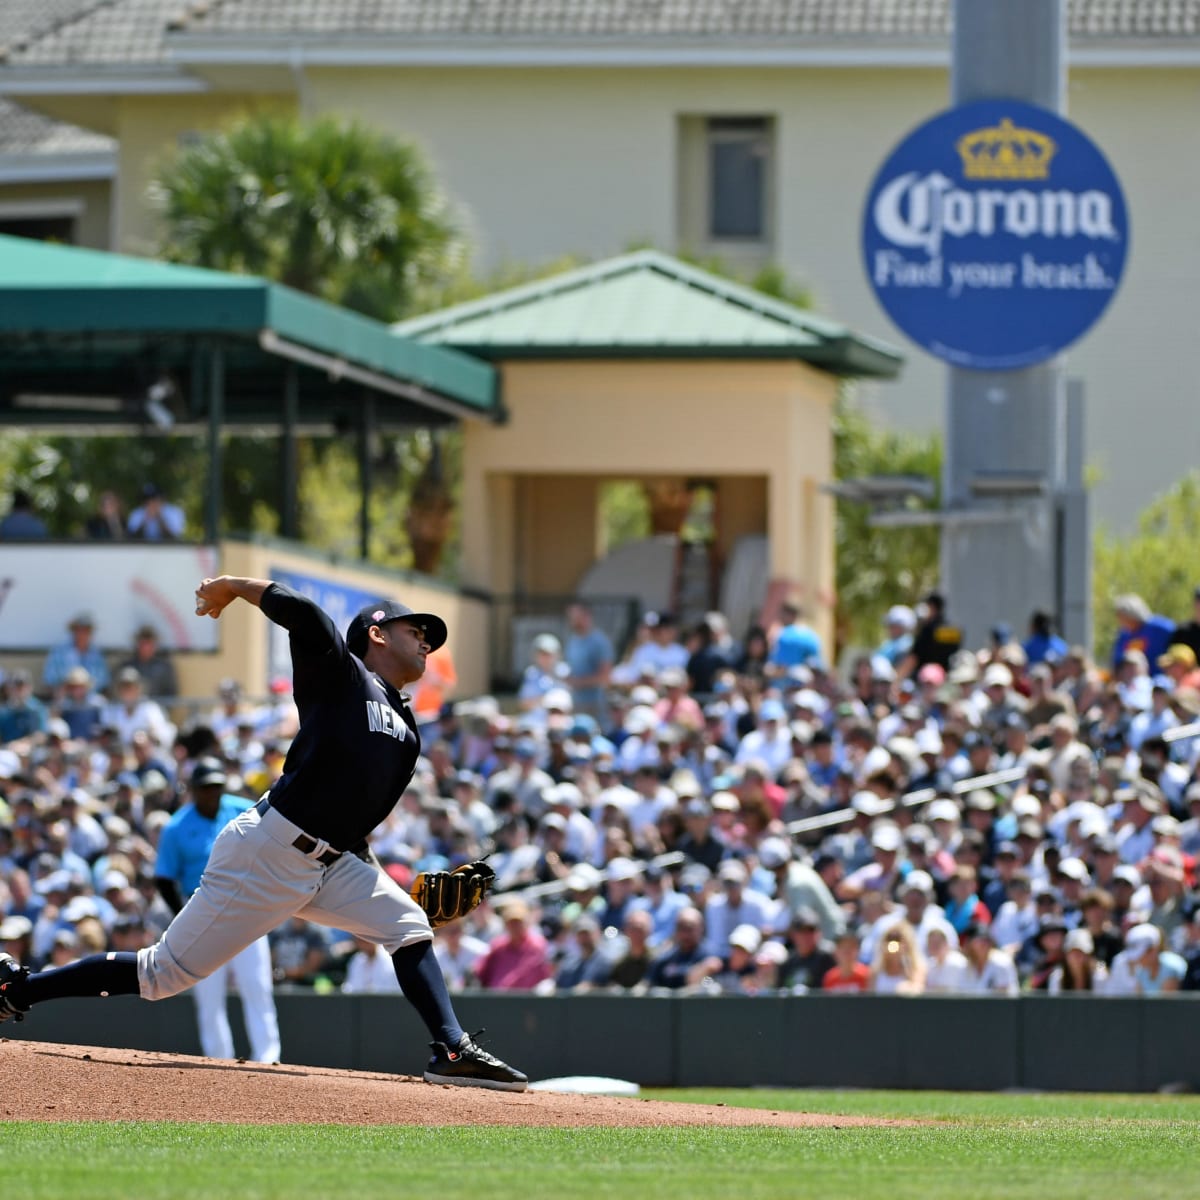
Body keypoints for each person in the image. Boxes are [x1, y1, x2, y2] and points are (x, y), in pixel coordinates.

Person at [0, 574, 527, 1091]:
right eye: (417, 631)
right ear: (377, 632)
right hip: (269, 850)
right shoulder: (341, 675)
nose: (426, 643)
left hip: (329, 862)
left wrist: (389, 889)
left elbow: (357, 823)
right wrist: (232, 585)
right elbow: (305, 614)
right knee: (163, 976)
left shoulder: (408, 731)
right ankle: (18, 988)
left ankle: (451, 1049)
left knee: (408, 924)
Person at [153, 758, 281, 1063]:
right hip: (205, 916)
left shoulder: (243, 809)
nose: (212, 793)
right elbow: (163, 878)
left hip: (248, 910)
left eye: (217, 787)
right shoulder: (176, 827)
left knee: (258, 989)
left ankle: (268, 1058)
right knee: (209, 997)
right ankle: (218, 1060)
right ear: (193, 790)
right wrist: (184, 915)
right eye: (206, 787)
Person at [563, 601, 614, 720]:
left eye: (576, 617)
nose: (573, 621)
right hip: (576, 702)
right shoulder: (573, 640)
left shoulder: (599, 642)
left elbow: (605, 677)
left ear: (587, 616)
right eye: (571, 617)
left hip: (595, 704)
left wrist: (578, 682)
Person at [42, 612, 111, 696]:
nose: (82, 634)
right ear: (73, 631)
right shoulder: (59, 653)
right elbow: (49, 681)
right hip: (66, 700)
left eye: (86, 630)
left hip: (90, 702)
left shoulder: (97, 655)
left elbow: (104, 684)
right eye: (79, 630)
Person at [117, 625, 179, 702]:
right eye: (143, 643)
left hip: (157, 710)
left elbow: (171, 694)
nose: (146, 648)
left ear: (155, 646)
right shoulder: (127, 666)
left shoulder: (164, 668)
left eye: (149, 643)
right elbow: (117, 691)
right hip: (131, 711)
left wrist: (157, 710)